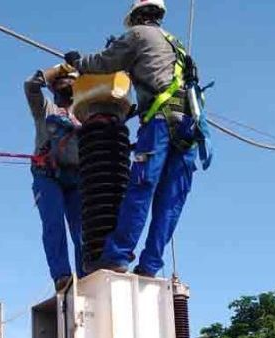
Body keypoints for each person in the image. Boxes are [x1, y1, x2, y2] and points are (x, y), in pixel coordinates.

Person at [63, 0, 211, 277]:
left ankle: (117, 256)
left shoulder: (138, 35)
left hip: (159, 125)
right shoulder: (176, 45)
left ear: (136, 17)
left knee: (141, 188)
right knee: (170, 201)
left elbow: (104, 62)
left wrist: (77, 62)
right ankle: (150, 266)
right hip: (189, 129)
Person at [26, 66, 84, 291]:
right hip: (47, 175)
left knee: (82, 231)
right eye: (60, 82)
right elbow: (30, 86)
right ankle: (61, 275)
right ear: (52, 87)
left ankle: (85, 274)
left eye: (70, 82)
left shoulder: (85, 111)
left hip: (76, 177)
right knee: (54, 223)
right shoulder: (45, 108)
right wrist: (59, 69)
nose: (66, 85)